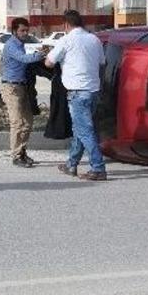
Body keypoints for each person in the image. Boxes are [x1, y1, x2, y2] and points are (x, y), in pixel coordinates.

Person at [45, 10, 107, 181]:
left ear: (66, 24)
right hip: (93, 90)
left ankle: (98, 168)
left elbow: (49, 62)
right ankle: (71, 164)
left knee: (85, 131)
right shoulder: (94, 39)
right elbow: (102, 62)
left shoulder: (66, 40)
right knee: (80, 130)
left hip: (77, 92)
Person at [1, 17, 47, 167]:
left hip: (23, 86)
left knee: (28, 122)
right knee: (17, 122)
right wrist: (40, 55)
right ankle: (16, 156)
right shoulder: (11, 45)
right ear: (14, 31)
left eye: (27, 31)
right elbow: (23, 59)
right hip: (11, 87)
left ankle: (22, 151)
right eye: (22, 31)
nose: (25, 33)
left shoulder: (22, 44)